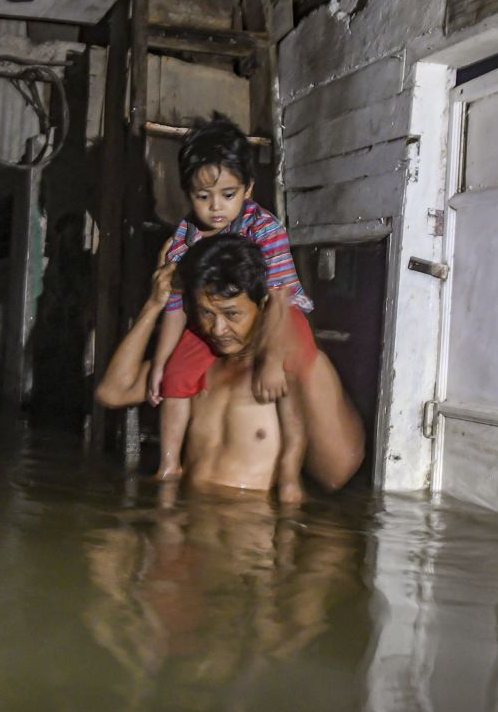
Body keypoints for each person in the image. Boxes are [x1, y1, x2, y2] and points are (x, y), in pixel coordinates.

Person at [95, 235, 363, 500]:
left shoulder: (292, 370)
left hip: (248, 531)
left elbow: (336, 476)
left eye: (232, 314)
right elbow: (112, 392)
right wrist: (154, 305)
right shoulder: (194, 363)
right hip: (187, 525)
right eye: (207, 314)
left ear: (261, 304)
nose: (218, 330)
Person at [150, 113, 313, 481]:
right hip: (217, 316)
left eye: (228, 195)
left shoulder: (265, 228)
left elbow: (281, 295)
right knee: (176, 375)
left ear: (248, 188)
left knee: (292, 365)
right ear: (187, 192)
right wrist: (161, 363)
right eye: (202, 197)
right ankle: (169, 464)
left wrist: (271, 359)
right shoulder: (185, 236)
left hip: (277, 311)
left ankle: (290, 474)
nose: (216, 208)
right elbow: (176, 305)